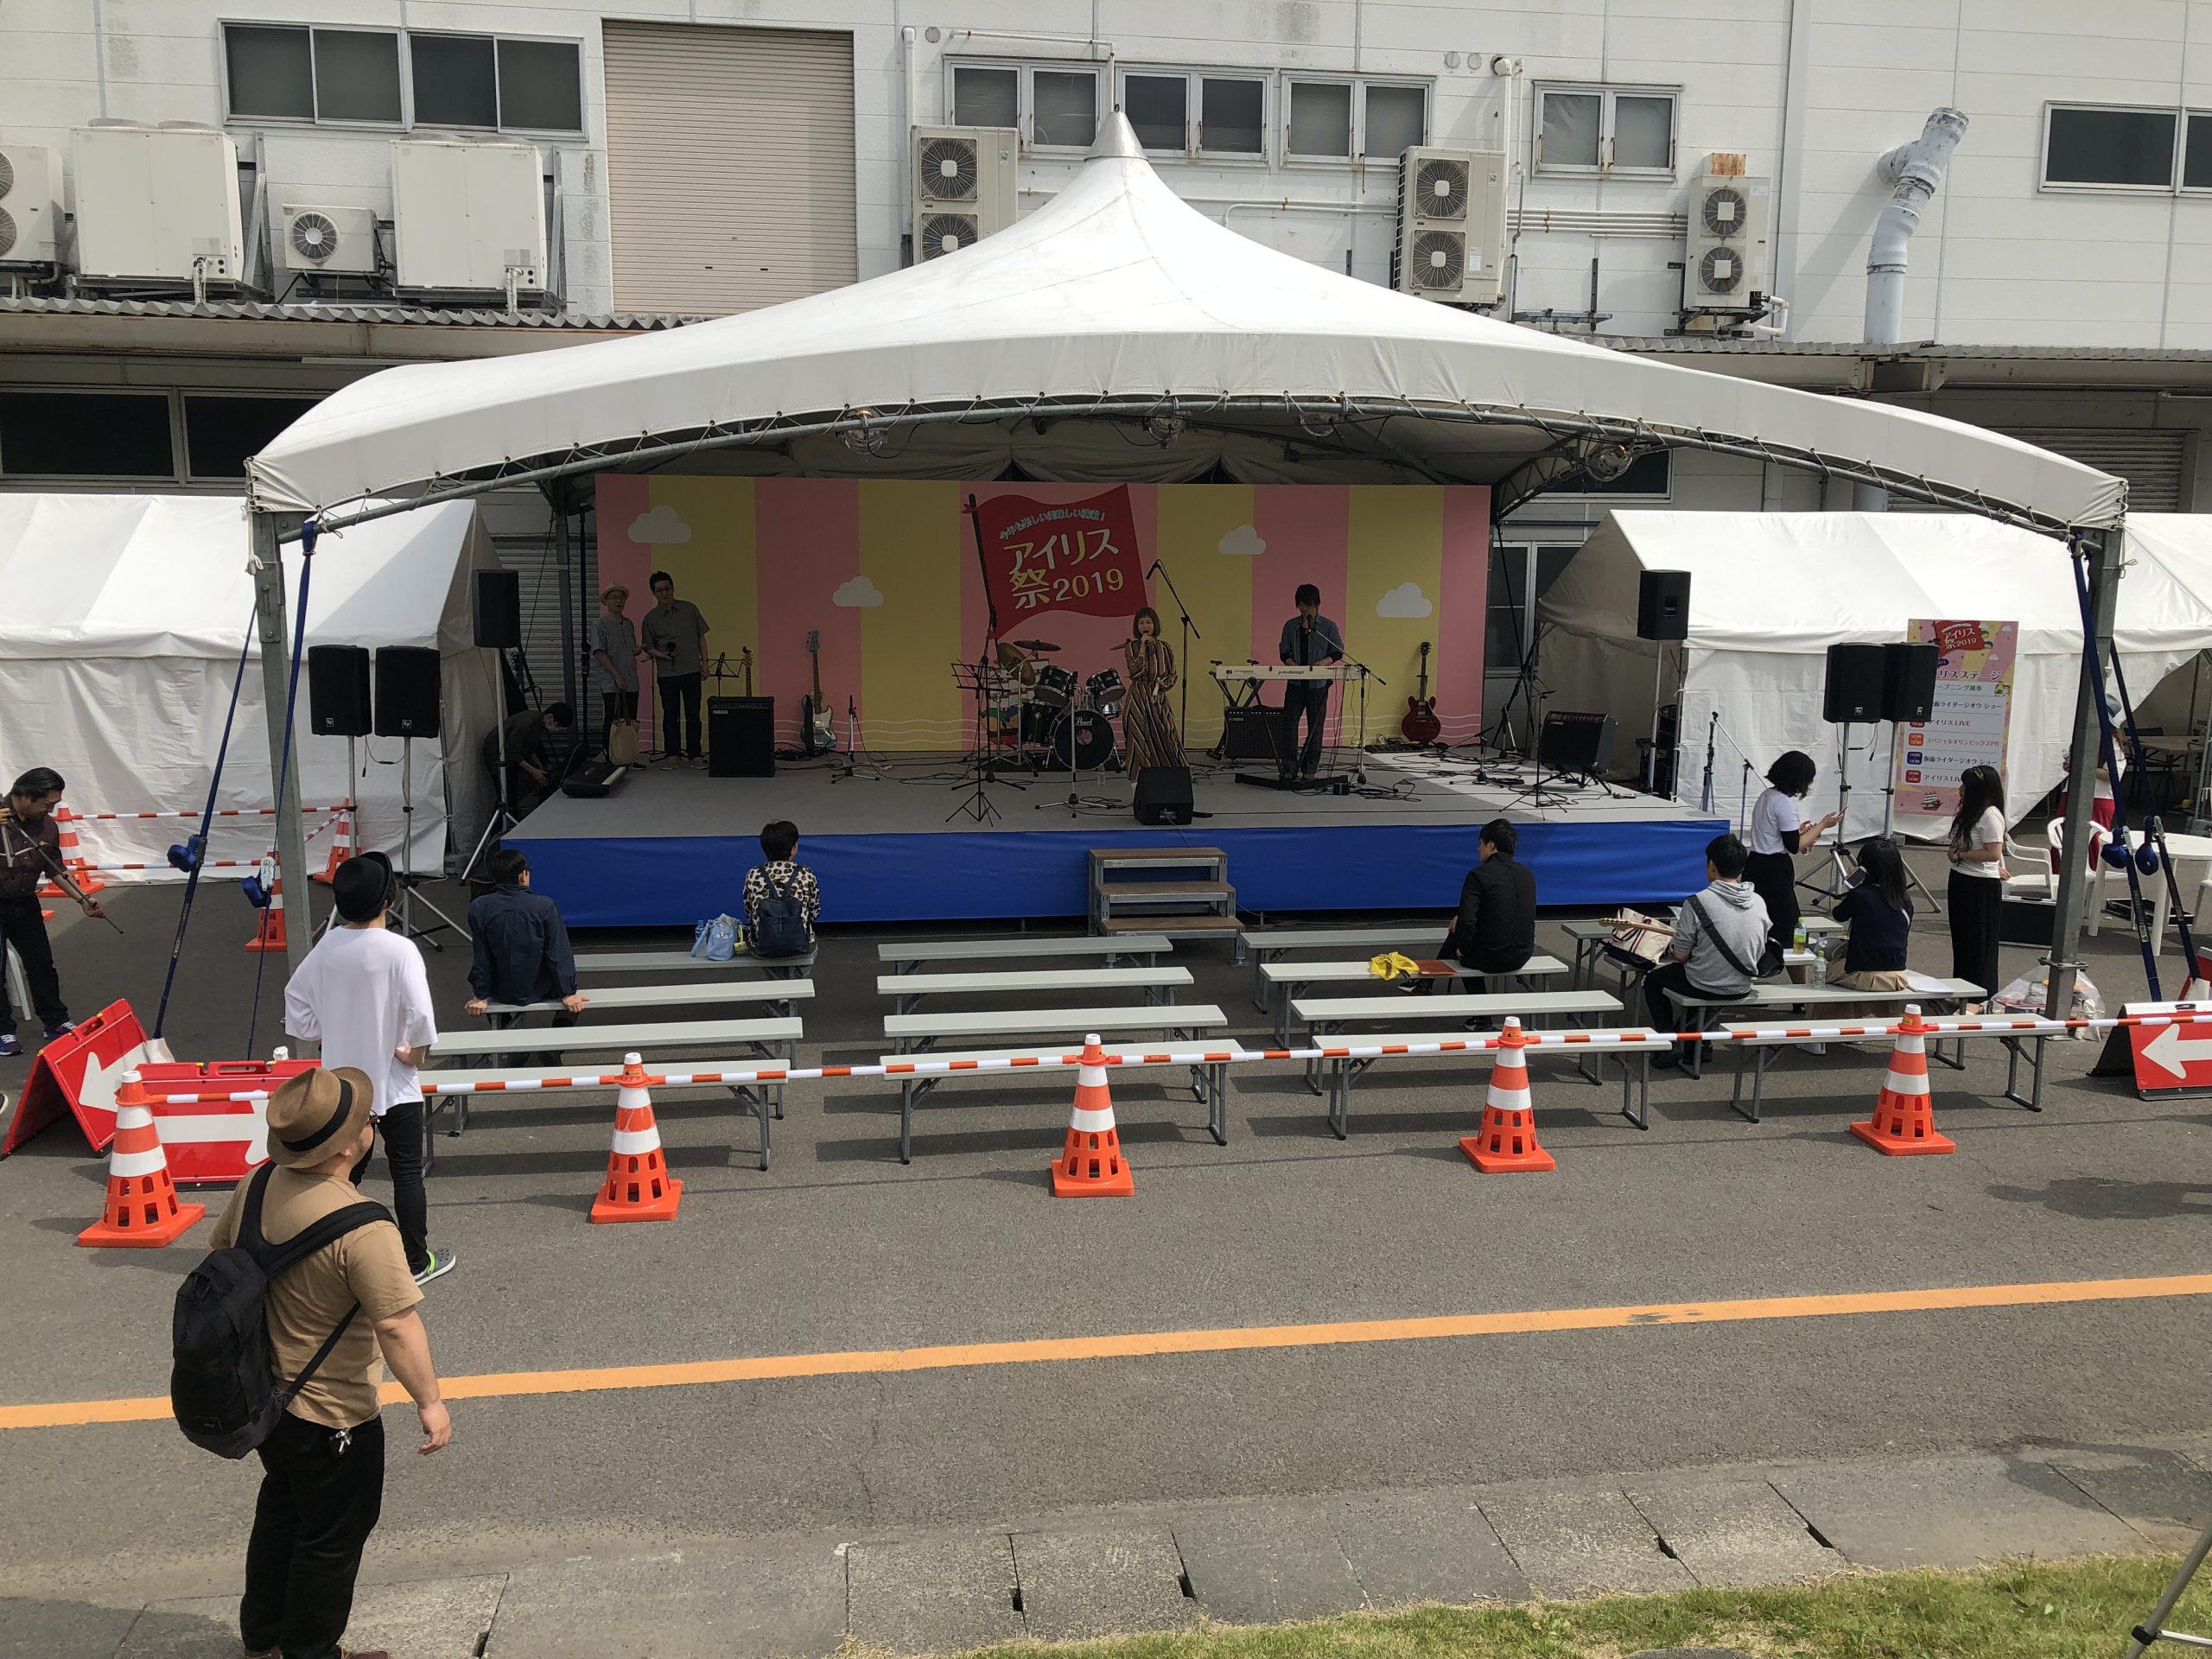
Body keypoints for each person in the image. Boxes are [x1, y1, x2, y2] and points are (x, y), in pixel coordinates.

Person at [208, 1066, 450, 1659]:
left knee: (283, 1511)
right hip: (332, 1412)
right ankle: (311, 1652)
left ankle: (263, 1641)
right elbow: (396, 1325)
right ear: (348, 1147)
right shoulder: (364, 1226)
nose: (373, 1126)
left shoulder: (258, 1183)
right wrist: (431, 1402)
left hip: (263, 1398)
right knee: (332, 1537)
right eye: (368, 1120)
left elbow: (220, 1254)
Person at [284, 853, 452, 1285]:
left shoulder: (327, 947)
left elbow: (296, 1002)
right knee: (406, 1173)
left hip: (342, 1087)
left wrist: (327, 1031)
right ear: (389, 900)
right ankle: (415, 1261)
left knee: (342, 1174)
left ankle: (331, 1257)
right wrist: (413, 1055)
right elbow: (421, 1017)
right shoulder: (400, 950)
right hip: (394, 1083)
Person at [0, 766, 105, 1057]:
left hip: (25, 903)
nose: (51, 810)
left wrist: (83, 899)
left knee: (41, 964)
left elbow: (55, 868)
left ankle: (55, 1021)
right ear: (24, 796)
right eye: (47, 804)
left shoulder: (46, 826)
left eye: (54, 804)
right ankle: (3, 1031)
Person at [1645, 833, 1771, 1067]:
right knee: (1705, 974)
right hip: (1743, 983)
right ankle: (1699, 1045)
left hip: (1705, 983)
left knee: (1653, 981)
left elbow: (1681, 955)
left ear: (1711, 865)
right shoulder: (1758, 901)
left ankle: (1668, 1041)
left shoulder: (1697, 902)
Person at [464, 848, 587, 1065]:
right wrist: (568, 991)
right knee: (574, 1003)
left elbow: (481, 955)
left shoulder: (479, 907)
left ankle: (515, 1048)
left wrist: (480, 994)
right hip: (541, 985)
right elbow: (558, 953)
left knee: (489, 999)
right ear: (523, 875)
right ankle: (554, 1047)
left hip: (501, 988)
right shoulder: (544, 905)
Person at [1745, 750, 1842, 979]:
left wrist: (1799, 831)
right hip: (1775, 871)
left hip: (1756, 865)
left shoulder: (1766, 796)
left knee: (1758, 924)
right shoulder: (1784, 803)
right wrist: (1823, 825)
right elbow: (1794, 846)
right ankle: (1800, 987)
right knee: (1790, 929)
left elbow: (1776, 834)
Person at [1438, 817, 1537, 988]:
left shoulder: (1479, 875)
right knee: (1463, 928)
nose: (1478, 849)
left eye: (1481, 843)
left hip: (1491, 957)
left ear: (1491, 845)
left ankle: (1477, 1002)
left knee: (1461, 935)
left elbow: (1467, 921)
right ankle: (1423, 983)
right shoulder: (1527, 874)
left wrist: (1463, 949)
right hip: (1522, 955)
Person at [1947, 764, 2008, 1010]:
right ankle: (1963, 988)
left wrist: (1961, 854)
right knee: (1962, 939)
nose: (1961, 790)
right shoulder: (1969, 812)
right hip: (1960, 878)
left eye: (1966, 786)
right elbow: (1955, 847)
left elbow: (1993, 853)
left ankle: (1981, 996)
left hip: (1980, 884)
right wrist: (1956, 854)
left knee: (1979, 942)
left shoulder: (1990, 815)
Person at [1830, 836, 1915, 1006]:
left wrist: (1853, 886)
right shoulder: (1904, 898)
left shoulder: (1861, 895)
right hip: (1898, 975)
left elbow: (1838, 914)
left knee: (1825, 970)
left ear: (1864, 867)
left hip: (1864, 973)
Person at [640, 570, 711, 766]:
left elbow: (701, 637)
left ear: (673, 588)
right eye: (659, 590)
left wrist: (705, 663)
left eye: (667, 588)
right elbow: (649, 647)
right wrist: (661, 655)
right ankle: (672, 753)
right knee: (670, 715)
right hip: (667, 673)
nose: (664, 593)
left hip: (691, 670)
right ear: (653, 593)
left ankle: (695, 754)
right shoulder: (650, 618)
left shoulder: (690, 609)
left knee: (693, 714)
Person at [1276, 582, 1345, 781]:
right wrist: (1294, 666)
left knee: (1315, 728)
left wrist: (1324, 662)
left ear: (1316, 603)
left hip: (1318, 686)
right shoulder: (1291, 626)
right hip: (1295, 685)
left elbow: (1337, 651)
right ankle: (1289, 768)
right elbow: (1284, 652)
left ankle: (1310, 769)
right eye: (1300, 604)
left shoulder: (1328, 627)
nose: (1303, 608)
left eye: (1307, 604)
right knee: (1290, 726)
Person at [742, 819, 820, 966]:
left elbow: (748, 912)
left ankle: (777, 979)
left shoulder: (753, 875)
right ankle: (796, 979)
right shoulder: (806, 874)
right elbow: (814, 913)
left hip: (762, 946)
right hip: (801, 944)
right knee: (808, 944)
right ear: (792, 849)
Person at [480, 702, 574, 816]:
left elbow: (529, 749)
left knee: (512, 792)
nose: (557, 729)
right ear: (550, 717)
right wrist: (533, 771)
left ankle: (510, 815)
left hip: (511, 757)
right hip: (498, 757)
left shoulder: (538, 723)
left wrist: (539, 768)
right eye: (558, 726)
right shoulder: (527, 723)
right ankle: (499, 822)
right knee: (505, 794)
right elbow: (512, 751)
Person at [1122, 606, 1181, 782]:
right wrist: (1142, 648)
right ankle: (1138, 784)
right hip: (1138, 697)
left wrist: (1164, 684)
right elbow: (1134, 672)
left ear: (1155, 625)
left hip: (1157, 698)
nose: (1145, 626)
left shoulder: (1165, 647)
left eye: (1148, 622)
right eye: (1141, 623)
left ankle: (1169, 780)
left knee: (1167, 735)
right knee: (1138, 739)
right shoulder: (1131, 647)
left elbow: (1173, 674)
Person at [589, 585, 644, 761]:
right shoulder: (600, 624)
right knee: (613, 719)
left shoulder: (628, 624)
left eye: (621, 597)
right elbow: (599, 653)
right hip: (612, 681)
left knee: (630, 720)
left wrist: (637, 650)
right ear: (606, 601)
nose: (618, 601)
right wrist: (616, 676)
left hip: (631, 678)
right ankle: (610, 757)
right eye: (614, 597)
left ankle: (627, 756)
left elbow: (628, 649)